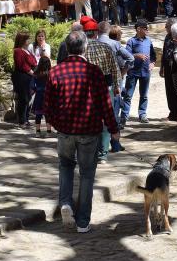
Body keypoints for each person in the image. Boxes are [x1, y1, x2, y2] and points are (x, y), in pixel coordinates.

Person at [44, 30, 120, 233]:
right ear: (85, 47)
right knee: (87, 174)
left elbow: (48, 105)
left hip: (66, 131)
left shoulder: (55, 72)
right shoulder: (94, 72)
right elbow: (106, 104)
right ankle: (83, 221)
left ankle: (66, 203)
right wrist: (114, 129)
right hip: (89, 131)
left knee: (65, 166)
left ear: (67, 48)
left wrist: (53, 123)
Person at [82, 16, 121, 160]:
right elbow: (115, 68)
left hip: (88, 88)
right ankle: (103, 153)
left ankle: (91, 151)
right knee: (106, 118)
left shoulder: (82, 49)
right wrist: (117, 86)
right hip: (106, 86)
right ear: (96, 33)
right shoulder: (106, 47)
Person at [120, 18, 157, 126]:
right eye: (145, 28)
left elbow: (153, 55)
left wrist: (152, 63)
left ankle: (142, 114)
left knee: (144, 95)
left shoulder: (148, 41)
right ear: (138, 29)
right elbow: (126, 55)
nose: (147, 30)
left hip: (145, 72)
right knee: (128, 95)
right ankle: (124, 117)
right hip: (133, 72)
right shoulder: (131, 41)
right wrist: (136, 55)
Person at [100, 21, 133, 128]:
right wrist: (123, 72)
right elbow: (130, 58)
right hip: (116, 76)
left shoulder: (95, 42)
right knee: (116, 99)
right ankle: (116, 122)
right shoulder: (115, 44)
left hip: (101, 77)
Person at [12, 31, 37, 127]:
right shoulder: (18, 51)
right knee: (24, 99)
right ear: (22, 40)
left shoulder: (27, 50)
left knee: (29, 98)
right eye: (27, 39)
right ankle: (21, 121)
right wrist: (32, 73)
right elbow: (21, 65)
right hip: (22, 78)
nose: (29, 40)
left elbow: (34, 61)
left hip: (29, 77)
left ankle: (26, 119)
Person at [32, 56, 52, 137]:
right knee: (48, 114)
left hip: (39, 95)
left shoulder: (36, 73)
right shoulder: (51, 73)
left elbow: (32, 85)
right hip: (48, 95)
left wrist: (35, 90)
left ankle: (37, 132)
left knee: (38, 114)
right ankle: (49, 132)